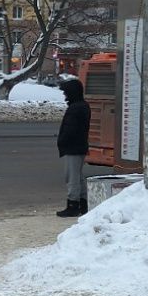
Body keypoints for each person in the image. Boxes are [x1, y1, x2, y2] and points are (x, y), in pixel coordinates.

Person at [56, 78, 91, 218]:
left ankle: (73, 205)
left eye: (66, 92)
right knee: (78, 176)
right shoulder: (82, 106)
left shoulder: (76, 108)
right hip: (79, 146)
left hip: (74, 147)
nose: (65, 95)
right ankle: (83, 204)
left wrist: (62, 141)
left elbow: (70, 129)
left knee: (72, 177)